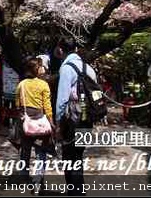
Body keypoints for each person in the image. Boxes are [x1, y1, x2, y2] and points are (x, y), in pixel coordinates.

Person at [55, 37, 96, 195]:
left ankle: (74, 191)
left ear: (60, 50)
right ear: (77, 49)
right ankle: (78, 190)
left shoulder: (67, 68)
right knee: (78, 155)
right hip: (87, 117)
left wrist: (58, 122)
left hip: (72, 118)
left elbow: (62, 99)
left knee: (69, 156)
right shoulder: (88, 68)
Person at [16, 58, 54, 188]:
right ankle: (38, 179)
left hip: (26, 122)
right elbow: (47, 107)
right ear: (36, 69)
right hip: (40, 122)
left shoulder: (22, 84)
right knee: (40, 152)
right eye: (40, 66)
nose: (42, 69)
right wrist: (51, 122)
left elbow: (18, 103)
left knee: (25, 151)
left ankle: (23, 176)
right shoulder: (43, 85)